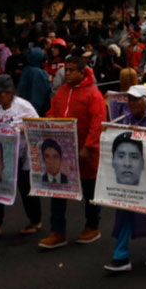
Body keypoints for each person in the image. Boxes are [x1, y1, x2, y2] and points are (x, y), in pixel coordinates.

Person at [38, 55, 107, 250]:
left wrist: (88, 147)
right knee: (58, 190)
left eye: (71, 70)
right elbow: (53, 112)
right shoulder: (62, 91)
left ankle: (92, 226)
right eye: (65, 70)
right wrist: (43, 123)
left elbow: (98, 124)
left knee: (90, 192)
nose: (66, 73)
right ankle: (57, 231)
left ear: (82, 72)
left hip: (86, 154)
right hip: (64, 153)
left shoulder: (93, 94)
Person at [103, 85, 146, 272]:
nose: (132, 103)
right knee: (125, 212)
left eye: (136, 99)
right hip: (128, 180)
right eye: (130, 100)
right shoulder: (121, 122)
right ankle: (121, 256)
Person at [0, 75, 43, 239]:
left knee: (25, 188)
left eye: (0, 94)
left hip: (22, 155)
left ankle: (35, 221)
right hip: (1, 154)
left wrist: (21, 129)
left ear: (9, 92)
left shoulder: (24, 107)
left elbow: (38, 127)